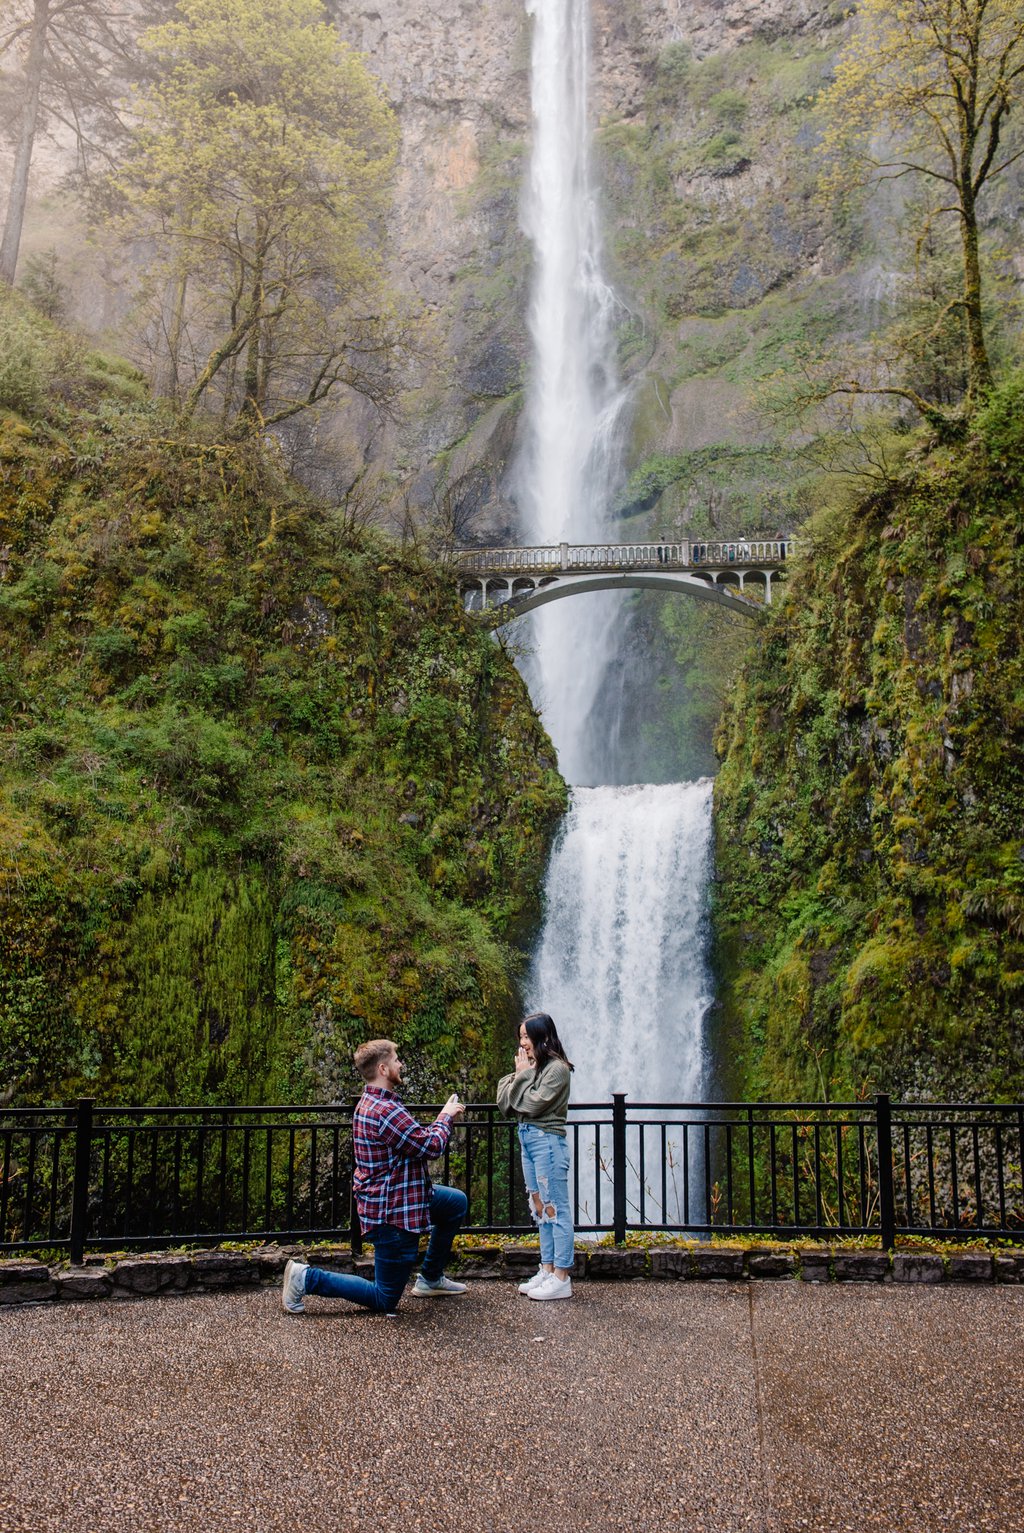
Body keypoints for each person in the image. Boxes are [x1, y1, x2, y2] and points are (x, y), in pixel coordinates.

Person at [282, 1038, 469, 1316]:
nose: (401, 1064)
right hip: (393, 1212)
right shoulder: (385, 1111)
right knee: (384, 1298)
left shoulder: (371, 1102)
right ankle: (306, 1278)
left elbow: (413, 1140)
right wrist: (445, 1116)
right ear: (383, 1068)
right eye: (396, 1059)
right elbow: (431, 1146)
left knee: (454, 1203)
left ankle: (430, 1278)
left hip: (406, 1196)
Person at [496, 1012, 574, 1302]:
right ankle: (547, 1268)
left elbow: (531, 1103)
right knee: (540, 1207)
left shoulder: (557, 1069)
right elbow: (505, 1103)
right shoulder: (530, 1068)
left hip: (548, 1142)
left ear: (543, 1036)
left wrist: (522, 1077)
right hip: (528, 1139)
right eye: (521, 1037)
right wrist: (523, 1077)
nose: (523, 1043)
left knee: (556, 1208)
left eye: (527, 1037)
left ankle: (562, 1276)